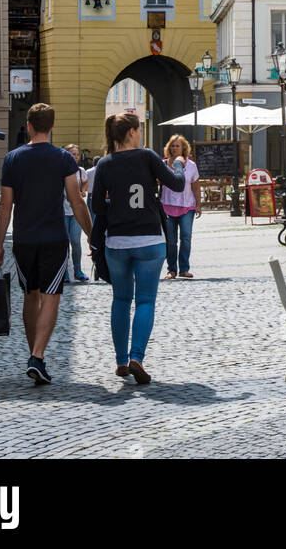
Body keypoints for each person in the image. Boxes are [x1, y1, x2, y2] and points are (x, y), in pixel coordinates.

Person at [0, 102, 92, 385]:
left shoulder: (12, 159)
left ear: (29, 126)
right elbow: (76, 200)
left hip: (24, 239)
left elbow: (5, 207)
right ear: (52, 126)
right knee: (51, 296)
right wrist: (92, 236)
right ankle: (37, 356)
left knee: (30, 295)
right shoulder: (64, 159)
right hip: (54, 239)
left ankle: (35, 355)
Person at [91, 112, 185, 384]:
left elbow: (97, 207)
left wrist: (116, 205)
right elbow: (176, 184)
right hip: (149, 240)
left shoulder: (105, 163)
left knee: (120, 300)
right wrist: (178, 163)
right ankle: (136, 357)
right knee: (145, 301)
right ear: (131, 132)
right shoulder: (148, 157)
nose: (141, 134)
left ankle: (120, 361)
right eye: (140, 129)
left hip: (117, 241)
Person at [159, 135, 201, 279]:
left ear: (184, 148)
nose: (175, 148)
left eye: (178, 146)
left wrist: (199, 204)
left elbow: (195, 186)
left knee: (186, 237)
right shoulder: (163, 165)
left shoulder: (191, 166)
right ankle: (171, 270)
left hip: (187, 207)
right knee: (170, 241)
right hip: (167, 207)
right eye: (173, 145)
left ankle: (184, 268)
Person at [63, 144, 89, 283]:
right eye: (72, 154)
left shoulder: (80, 171)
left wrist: (83, 190)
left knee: (76, 242)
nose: (75, 157)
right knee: (64, 242)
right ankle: (64, 272)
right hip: (62, 211)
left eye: (77, 154)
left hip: (75, 212)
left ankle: (78, 270)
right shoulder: (59, 170)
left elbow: (85, 182)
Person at [85, 156, 101, 224]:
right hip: (100, 193)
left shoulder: (88, 171)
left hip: (91, 193)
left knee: (91, 213)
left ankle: (92, 228)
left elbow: (85, 183)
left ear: (93, 162)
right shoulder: (103, 170)